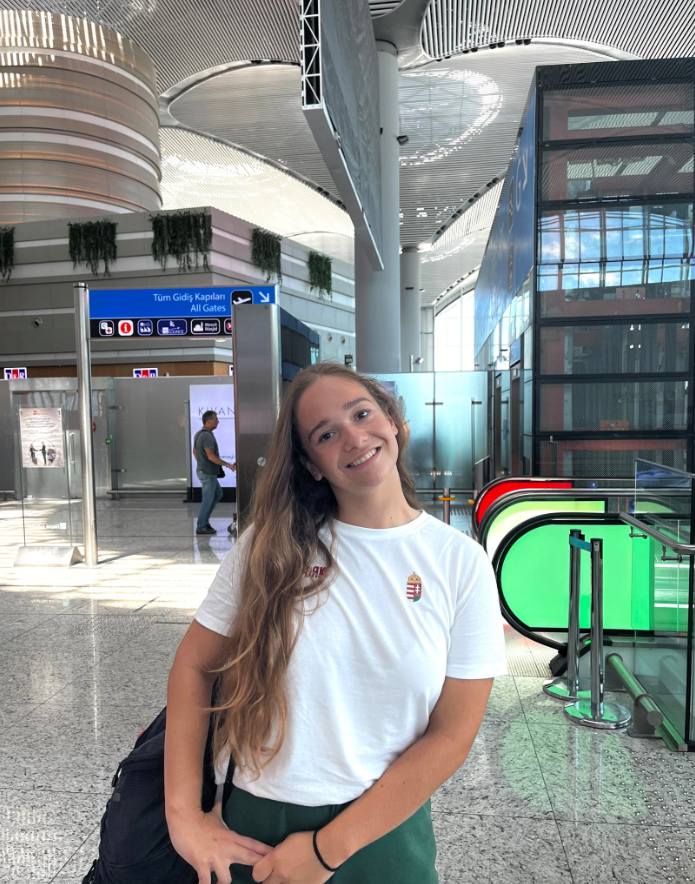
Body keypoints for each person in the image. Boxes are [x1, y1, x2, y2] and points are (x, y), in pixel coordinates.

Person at [165, 363, 507, 884]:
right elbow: (194, 666)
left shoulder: (460, 563)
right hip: (256, 826)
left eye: (362, 414)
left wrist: (327, 851)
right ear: (312, 464)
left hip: (384, 828)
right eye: (326, 434)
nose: (353, 437)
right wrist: (183, 816)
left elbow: (452, 734)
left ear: (393, 421)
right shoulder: (270, 547)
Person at [193, 410, 236, 535]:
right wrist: (228, 465)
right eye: (216, 419)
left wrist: (201, 463)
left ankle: (204, 522)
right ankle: (201, 526)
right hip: (207, 473)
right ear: (208, 421)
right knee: (208, 499)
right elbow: (211, 456)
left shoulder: (199, 434)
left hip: (205, 471)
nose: (218, 421)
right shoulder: (206, 436)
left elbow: (195, 451)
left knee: (217, 494)